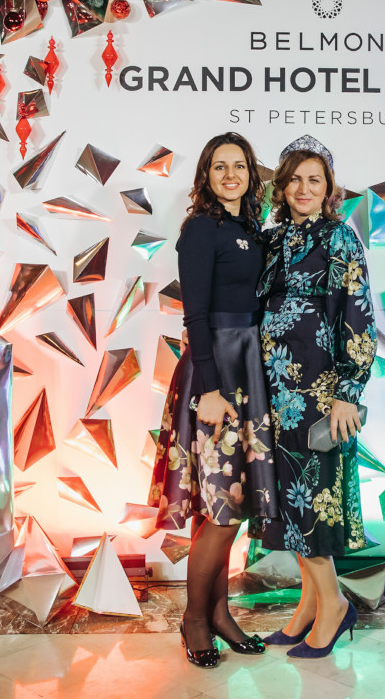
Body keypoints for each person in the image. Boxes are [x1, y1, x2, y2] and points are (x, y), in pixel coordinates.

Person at [148, 132, 278, 668]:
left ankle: (220, 613)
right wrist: (207, 388)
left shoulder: (252, 229)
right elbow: (195, 315)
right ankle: (194, 620)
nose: (231, 175)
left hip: (250, 371)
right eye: (220, 166)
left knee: (230, 506)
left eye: (239, 166)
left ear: (251, 173)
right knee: (223, 508)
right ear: (206, 175)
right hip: (216, 373)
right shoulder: (201, 229)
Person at [258, 135, 376, 658]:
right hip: (273, 391)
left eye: (315, 179)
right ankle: (308, 605)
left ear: (329, 188)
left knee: (312, 497)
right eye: (295, 179)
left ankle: (334, 606)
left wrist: (348, 390)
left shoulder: (339, 238)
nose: (304, 188)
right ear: (281, 186)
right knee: (289, 499)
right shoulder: (272, 239)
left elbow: (358, 311)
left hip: (318, 392)